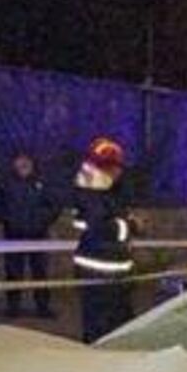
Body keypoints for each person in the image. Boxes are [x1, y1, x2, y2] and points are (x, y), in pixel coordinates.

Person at [69, 136, 134, 344]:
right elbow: (102, 227)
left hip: (111, 269)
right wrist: (128, 225)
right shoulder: (92, 192)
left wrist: (125, 222)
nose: (119, 171)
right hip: (100, 269)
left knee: (116, 322)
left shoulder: (104, 190)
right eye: (115, 167)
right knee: (101, 326)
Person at [0, 150, 60, 318]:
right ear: (14, 163)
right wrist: (6, 218)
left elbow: (54, 205)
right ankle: (13, 307)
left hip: (38, 235)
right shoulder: (4, 182)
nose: (23, 163)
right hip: (13, 234)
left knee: (40, 272)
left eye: (27, 160)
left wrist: (41, 221)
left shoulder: (43, 182)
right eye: (20, 160)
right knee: (13, 272)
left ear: (32, 163)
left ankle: (42, 307)